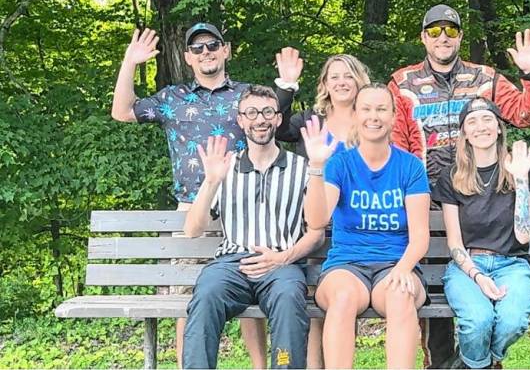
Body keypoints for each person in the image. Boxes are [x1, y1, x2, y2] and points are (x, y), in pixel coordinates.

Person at [110, 22, 303, 368]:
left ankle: (262, 365)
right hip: (194, 210)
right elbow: (123, 111)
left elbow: (278, 121)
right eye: (197, 48)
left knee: (257, 284)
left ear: (225, 50)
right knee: (194, 297)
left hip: (246, 206)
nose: (206, 52)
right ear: (187, 57)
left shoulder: (246, 98)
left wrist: (287, 84)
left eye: (212, 45)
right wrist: (130, 62)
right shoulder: (172, 99)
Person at [388, 4, 530, 367]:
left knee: (485, 303)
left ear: (460, 36)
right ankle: (442, 363)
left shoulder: (485, 78)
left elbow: (529, 114)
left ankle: (481, 362)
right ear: (423, 38)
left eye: (450, 30)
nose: (442, 37)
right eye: (434, 31)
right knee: (435, 296)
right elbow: (396, 144)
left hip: (481, 196)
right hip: (425, 200)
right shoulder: (402, 83)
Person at [182, 85, 323, 369]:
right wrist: (211, 182)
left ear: (278, 119)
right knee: (206, 294)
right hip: (231, 264)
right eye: (252, 113)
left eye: (268, 112)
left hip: (282, 263)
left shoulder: (301, 168)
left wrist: (283, 257)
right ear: (241, 120)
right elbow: (192, 230)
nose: (261, 119)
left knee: (288, 300)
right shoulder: (224, 166)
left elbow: (317, 232)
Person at [301, 84, 431, 369]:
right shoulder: (339, 164)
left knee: (400, 295)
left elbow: (420, 237)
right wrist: (315, 166)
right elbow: (317, 220)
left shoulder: (410, 166)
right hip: (346, 265)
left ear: (394, 117)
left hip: (397, 263)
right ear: (356, 115)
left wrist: (402, 269)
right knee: (344, 297)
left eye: (382, 109)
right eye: (367, 109)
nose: (374, 116)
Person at [432, 98, 530, 369]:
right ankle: (485, 365)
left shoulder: (522, 169)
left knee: (513, 320)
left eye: (487, 119)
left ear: (499, 127)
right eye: (472, 122)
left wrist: (519, 180)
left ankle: (473, 362)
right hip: (468, 265)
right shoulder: (451, 177)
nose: (480, 127)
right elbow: (455, 244)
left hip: (513, 265)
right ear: (464, 134)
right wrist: (478, 276)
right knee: (477, 321)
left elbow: (524, 235)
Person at [276, 53, 371, 368]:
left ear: (360, 81)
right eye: (334, 76)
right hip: (316, 226)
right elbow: (275, 126)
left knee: (345, 303)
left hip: (358, 226)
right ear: (325, 85)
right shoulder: (310, 121)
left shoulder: (371, 120)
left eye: (348, 75)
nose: (342, 82)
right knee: (318, 302)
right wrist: (287, 86)